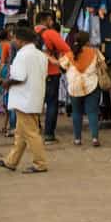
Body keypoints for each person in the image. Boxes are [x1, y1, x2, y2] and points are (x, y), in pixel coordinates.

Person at [0, 27, 48, 173]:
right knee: (21, 133)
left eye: (15, 38)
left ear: (21, 40)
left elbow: (19, 77)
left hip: (24, 99)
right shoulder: (40, 55)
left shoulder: (23, 55)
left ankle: (40, 163)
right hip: (33, 97)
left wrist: (5, 83)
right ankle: (11, 161)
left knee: (30, 133)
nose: (13, 41)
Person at [58, 32, 104, 147]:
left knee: (76, 112)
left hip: (74, 86)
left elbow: (61, 67)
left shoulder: (69, 54)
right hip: (91, 84)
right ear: (87, 41)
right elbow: (103, 65)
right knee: (92, 112)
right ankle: (94, 138)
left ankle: (77, 139)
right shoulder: (95, 52)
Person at [34, 10, 71, 143]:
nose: (53, 22)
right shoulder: (50, 33)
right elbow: (67, 49)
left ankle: (33, 132)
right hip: (51, 72)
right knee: (51, 103)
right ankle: (49, 135)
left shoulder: (29, 34)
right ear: (45, 21)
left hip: (34, 73)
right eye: (50, 20)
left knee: (35, 103)